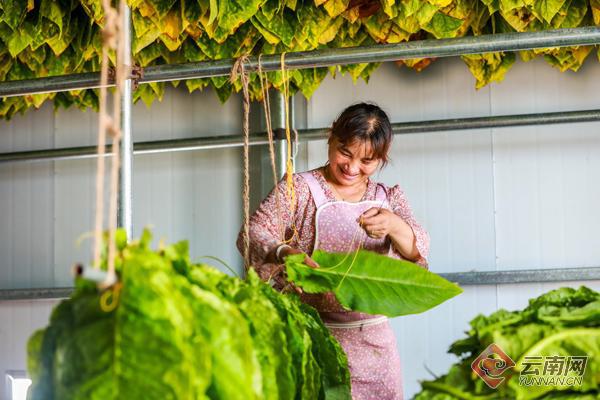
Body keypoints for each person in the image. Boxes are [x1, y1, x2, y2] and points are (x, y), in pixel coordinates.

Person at [237, 102, 430, 400]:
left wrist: (393, 225)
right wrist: (284, 253)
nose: (352, 168)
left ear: (382, 158)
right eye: (345, 152)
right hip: (313, 336)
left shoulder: (387, 197)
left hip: (374, 345)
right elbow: (253, 232)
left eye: (367, 160)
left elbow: (419, 251)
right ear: (331, 137)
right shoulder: (298, 189)